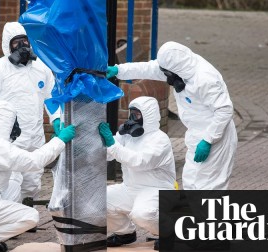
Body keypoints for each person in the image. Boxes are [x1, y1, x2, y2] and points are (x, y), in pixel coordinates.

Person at [106, 41, 237, 190]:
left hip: (215, 136)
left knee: (209, 186)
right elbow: (148, 68)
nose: (166, 77)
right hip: (197, 134)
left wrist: (208, 140)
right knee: (191, 182)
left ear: (177, 70)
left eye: (168, 73)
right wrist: (118, 70)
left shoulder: (205, 79)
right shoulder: (178, 66)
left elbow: (224, 110)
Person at [0, 101, 76, 252]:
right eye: (14, 121)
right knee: (31, 217)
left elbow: (21, 161)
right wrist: (60, 140)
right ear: (6, 122)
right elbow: (34, 161)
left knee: (15, 178)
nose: (16, 126)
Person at [0, 22, 62, 206]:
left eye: (25, 41)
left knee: (32, 181)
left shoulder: (42, 69)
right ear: (8, 45)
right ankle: (9, 216)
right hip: (10, 138)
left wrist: (56, 120)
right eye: (17, 43)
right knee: (11, 182)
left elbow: (51, 98)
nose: (22, 46)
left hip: (35, 136)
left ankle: (26, 211)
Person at [98, 96, 176, 251]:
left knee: (143, 214)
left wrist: (112, 144)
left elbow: (139, 162)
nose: (133, 118)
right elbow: (108, 154)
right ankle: (125, 233)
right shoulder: (128, 135)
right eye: (132, 113)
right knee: (99, 200)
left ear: (149, 115)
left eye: (137, 114)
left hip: (157, 190)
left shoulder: (160, 139)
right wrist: (95, 143)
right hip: (131, 187)